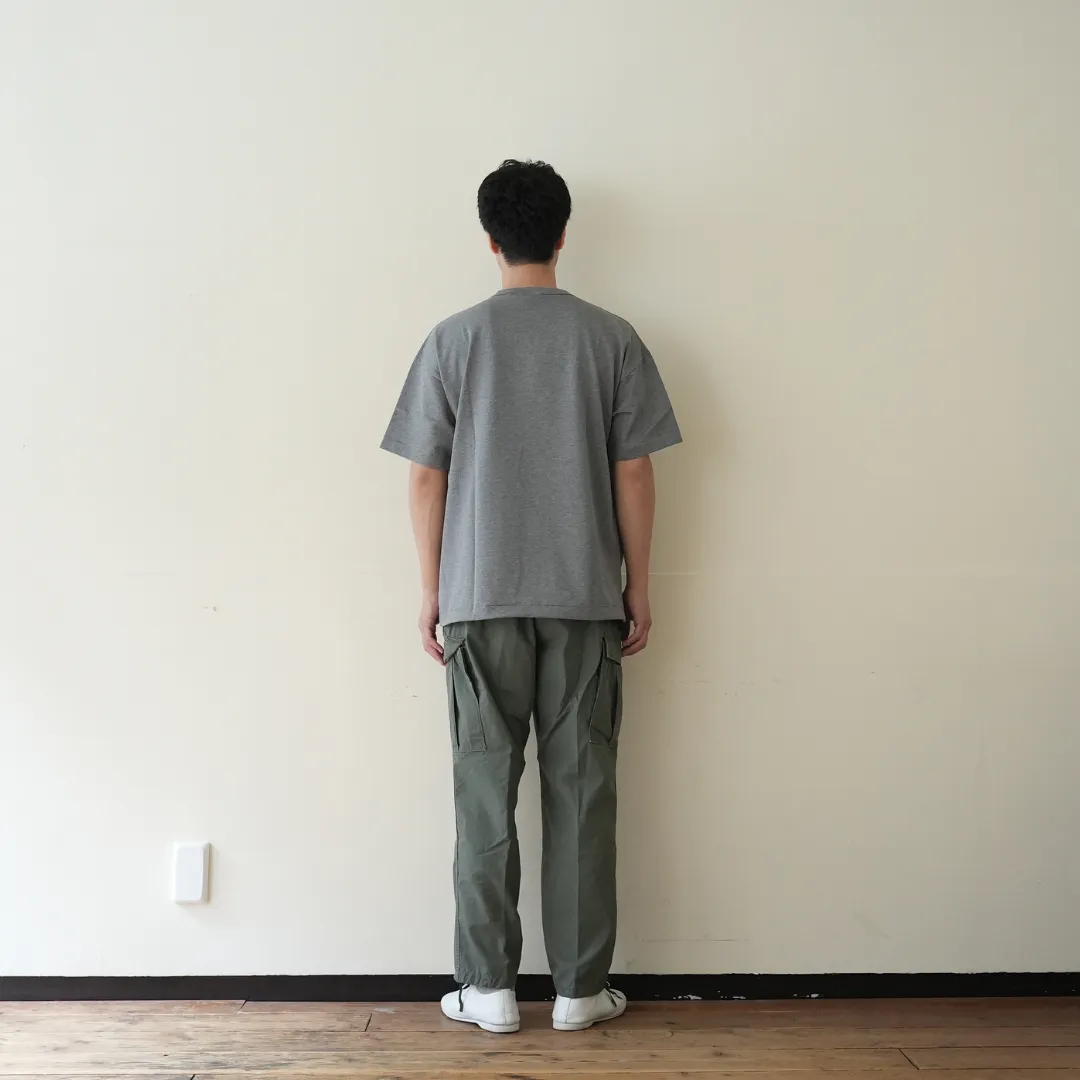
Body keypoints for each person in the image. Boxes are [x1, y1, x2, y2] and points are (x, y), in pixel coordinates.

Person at [381, 159, 681, 1033]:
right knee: (582, 794)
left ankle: (489, 990)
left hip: (479, 600)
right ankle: (581, 992)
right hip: (585, 599)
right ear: (562, 233)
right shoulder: (611, 338)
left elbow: (425, 477)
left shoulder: (452, 340)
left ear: (490, 239)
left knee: (485, 794)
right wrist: (639, 585)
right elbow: (634, 470)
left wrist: (432, 590)